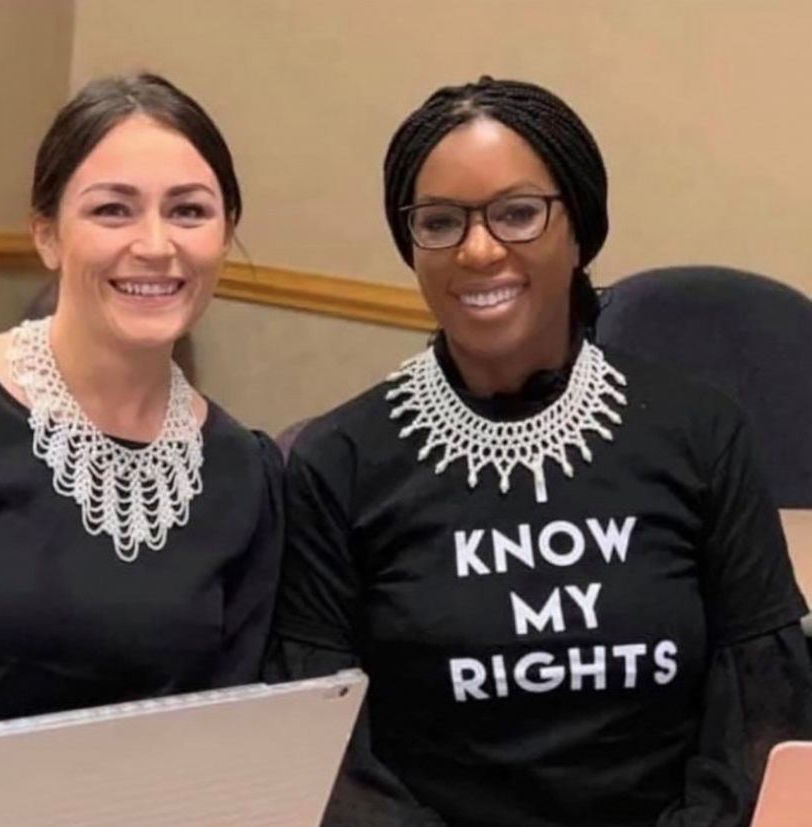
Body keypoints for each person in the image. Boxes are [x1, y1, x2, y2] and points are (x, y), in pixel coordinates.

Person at [267, 75, 812, 827]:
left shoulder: (702, 433)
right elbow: (325, 754)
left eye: (519, 214)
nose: (480, 249)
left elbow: (764, 703)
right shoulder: (339, 464)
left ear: (580, 230)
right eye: (441, 222)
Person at [0, 72, 282, 825]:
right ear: (46, 233)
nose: (156, 245)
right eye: (112, 209)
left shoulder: (244, 473)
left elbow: (221, 744)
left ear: (224, 233)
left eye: (190, 210)